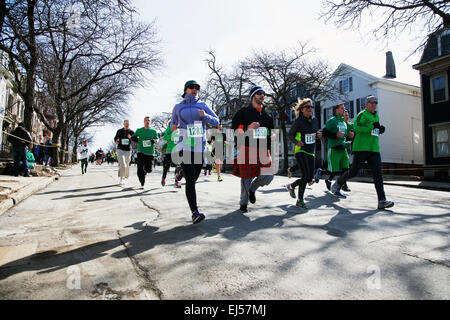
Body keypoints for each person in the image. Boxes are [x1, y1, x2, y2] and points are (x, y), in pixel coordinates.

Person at [332, 95, 394, 210]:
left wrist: (379, 130)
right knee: (354, 172)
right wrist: (372, 126)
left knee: (378, 174)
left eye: (376, 102)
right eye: (372, 102)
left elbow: (373, 131)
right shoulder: (362, 115)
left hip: (374, 149)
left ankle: (382, 200)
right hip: (361, 148)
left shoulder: (376, 116)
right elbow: (357, 127)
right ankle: (338, 182)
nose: (375, 104)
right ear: (367, 104)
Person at [170, 80, 219, 224]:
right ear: (185, 90)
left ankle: (180, 172)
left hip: (200, 146)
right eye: (192, 87)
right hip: (185, 144)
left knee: (194, 177)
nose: (195, 89)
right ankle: (195, 212)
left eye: (197, 87)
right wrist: (174, 126)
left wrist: (205, 115)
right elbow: (173, 122)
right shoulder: (178, 107)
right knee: (191, 181)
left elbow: (216, 121)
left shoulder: (203, 105)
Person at [232, 86, 275, 213]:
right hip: (248, 147)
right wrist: (247, 128)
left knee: (269, 176)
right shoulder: (244, 112)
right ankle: (243, 203)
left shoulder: (267, 115)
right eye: (259, 93)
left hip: (263, 149)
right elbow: (236, 129)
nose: (262, 95)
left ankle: (252, 189)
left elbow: (270, 131)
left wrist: (272, 135)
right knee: (246, 177)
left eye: (263, 94)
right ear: (252, 96)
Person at [284, 98, 322, 209]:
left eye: (311, 107)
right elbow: (290, 135)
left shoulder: (315, 120)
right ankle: (300, 200)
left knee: (309, 178)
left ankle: (291, 186)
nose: (310, 109)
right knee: (305, 175)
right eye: (307, 107)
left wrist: (318, 134)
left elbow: (315, 133)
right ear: (302, 110)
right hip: (301, 150)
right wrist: (297, 142)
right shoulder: (298, 121)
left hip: (311, 151)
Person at [319, 103, 354, 198]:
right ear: (337, 110)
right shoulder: (332, 121)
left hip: (343, 149)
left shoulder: (344, 123)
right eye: (342, 108)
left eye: (344, 108)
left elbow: (344, 136)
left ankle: (338, 188)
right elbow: (325, 132)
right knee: (333, 171)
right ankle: (323, 174)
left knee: (346, 170)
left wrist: (350, 136)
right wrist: (335, 135)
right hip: (334, 148)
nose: (344, 110)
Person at [131, 116, 158, 189]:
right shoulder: (139, 130)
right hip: (141, 151)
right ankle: (142, 182)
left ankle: (145, 172)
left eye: (148, 120)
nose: (147, 121)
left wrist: (154, 141)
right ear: (144, 121)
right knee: (140, 169)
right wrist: (137, 140)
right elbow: (133, 137)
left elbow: (156, 139)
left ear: (150, 122)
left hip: (150, 152)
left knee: (148, 170)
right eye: (146, 120)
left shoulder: (153, 131)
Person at [161, 120, 182, 188]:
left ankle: (177, 181)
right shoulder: (168, 129)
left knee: (178, 166)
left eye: (177, 124)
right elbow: (165, 137)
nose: (176, 125)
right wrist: (172, 133)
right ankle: (163, 178)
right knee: (167, 165)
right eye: (175, 123)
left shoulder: (179, 130)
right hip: (169, 150)